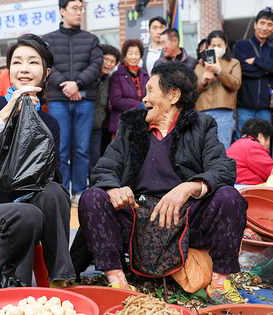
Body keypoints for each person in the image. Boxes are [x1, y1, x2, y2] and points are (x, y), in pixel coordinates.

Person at [77, 61, 248, 304]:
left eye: (150, 91)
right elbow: (105, 167)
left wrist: (189, 187)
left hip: (186, 214)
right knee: (92, 197)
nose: (144, 98)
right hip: (136, 213)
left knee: (230, 197)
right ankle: (116, 279)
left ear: (173, 95)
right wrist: (114, 188)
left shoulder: (201, 125)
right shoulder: (132, 125)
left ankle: (220, 281)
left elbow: (223, 168)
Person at [0, 33, 75, 287]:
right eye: (17, 62)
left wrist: (31, 126)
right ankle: (14, 293)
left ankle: (60, 281)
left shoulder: (49, 123)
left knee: (55, 192)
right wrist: (8, 112)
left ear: (46, 74)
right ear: (9, 70)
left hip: (29, 209)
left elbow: (48, 180)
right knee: (27, 214)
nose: (24, 69)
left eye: (33, 62)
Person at [42, 0, 103, 207]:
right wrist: (65, 86)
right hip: (58, 100)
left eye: (81, 9)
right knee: (60, 149)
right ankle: (62, 192)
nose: (79, 13)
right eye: (74, 9)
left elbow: (96, 65)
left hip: (84, 98)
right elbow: (45, 65)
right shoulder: (48, 40)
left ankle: (79, 191)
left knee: (81, 149)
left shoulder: (91, 39)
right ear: (62, 11)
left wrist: (77, 84)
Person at [232, 7, 273, 140]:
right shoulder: (241, 45)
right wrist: (266, 70)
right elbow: (240, 68)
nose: (265, 27)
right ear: (255, 24)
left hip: (265, 108)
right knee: (243, 143)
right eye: (262, 23)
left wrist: (255, 61)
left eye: (270, 24)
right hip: (243, 107)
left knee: (263, 144)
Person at [194, 30, 242, 149]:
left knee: (222, 149)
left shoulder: (233, 63)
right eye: (213, 45)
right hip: (202, 112)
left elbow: (236, 84)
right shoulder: (199, 66)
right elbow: (192, 89)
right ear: (207, 47)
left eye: (219, 45)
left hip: (224, 112)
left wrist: (219, 72)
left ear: (225, 46)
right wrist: (203, 81)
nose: (216, 48)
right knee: (202, 150)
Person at [108, 39, 150, 138]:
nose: (133, 57)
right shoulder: (116, 75)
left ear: (140, 56)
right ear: (125, 56)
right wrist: (140, 105)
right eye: (130, 53)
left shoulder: (144, 75)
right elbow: (116, 100)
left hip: (141, 123)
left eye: (136, 53)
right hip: (121, 124)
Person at [90, 44, 121, 173]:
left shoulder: (110, 79)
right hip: (83, 124)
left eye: (112, 61)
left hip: (99, 126)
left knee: (96, 158)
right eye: (106, 59)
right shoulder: (89, 77)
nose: (108, 64)